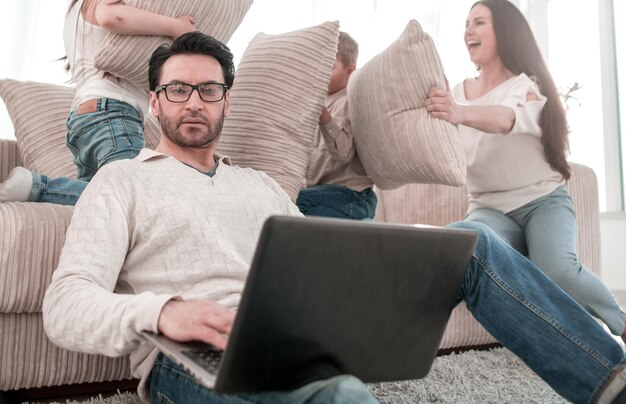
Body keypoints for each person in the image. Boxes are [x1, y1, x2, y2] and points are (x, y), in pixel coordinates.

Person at [41, 31, 626, 404]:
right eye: (177, 90)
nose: (193, 101)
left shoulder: (262, 184)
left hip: (301, 334)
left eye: (208, 90)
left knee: (472, 240)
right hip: (194, 361)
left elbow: (307, 264)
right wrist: (167, 311)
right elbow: (65, 304)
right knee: (339, 395)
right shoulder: (122, 181)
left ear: (226, 101)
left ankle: (609, 383)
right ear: (156, 101)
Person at [425, 0, 626, 343]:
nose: (468, 31)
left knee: (558, 270)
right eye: (466, 24)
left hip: (542, 203)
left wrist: (458, 112)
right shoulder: (457, 93)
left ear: (504, 31)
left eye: (479, 23)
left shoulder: (525, 85)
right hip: (488, 210)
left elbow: (507, 119)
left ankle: (620, 322)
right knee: (465, 244)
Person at [0, 0, 196, 205]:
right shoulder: (97, 4)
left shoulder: (75, 13)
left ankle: (33, 189)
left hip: (84, 119)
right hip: (113, 111)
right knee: (131, 194)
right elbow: (112, 16)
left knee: (100, 202)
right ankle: (36, 187)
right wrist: (176, 27)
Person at [296, 31, 376, 220]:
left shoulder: (349, 100)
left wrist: (324, 116)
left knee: (294, 201)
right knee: (281, 200)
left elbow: (344, 154)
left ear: (350, 70)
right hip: (321, 194)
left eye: (330, 68)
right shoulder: (319, 100)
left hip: (353, 196)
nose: (321, 75)